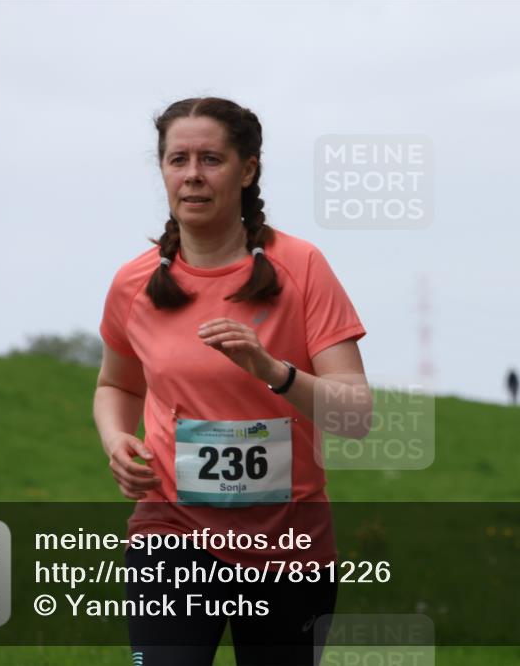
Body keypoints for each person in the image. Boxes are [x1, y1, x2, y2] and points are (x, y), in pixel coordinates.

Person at [93, 97, 371, 665]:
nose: (192, 174)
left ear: (248, 170)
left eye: (211, 159)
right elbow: (116, 386)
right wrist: (116, 439)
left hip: (290, 550)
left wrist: (273, 372)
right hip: (168, 537)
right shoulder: (134, 283)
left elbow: (356, 416)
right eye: (178, 159)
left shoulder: (302, 267)